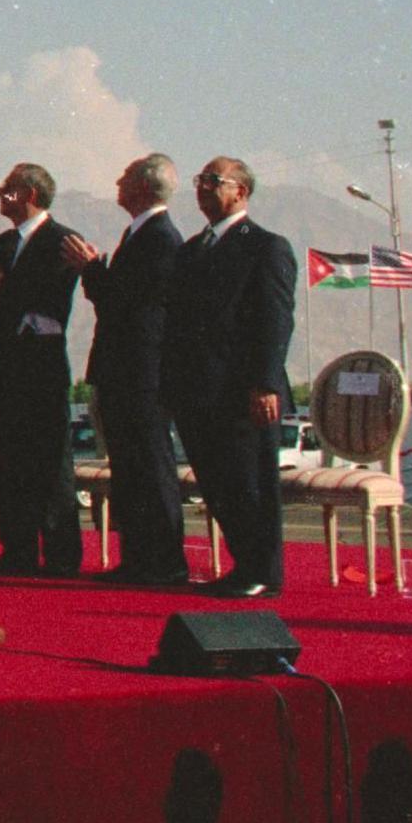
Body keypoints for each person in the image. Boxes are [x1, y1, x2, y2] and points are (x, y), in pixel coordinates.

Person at [165, 158, 296, 598]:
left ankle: (263, 571)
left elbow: (274, 321)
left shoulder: (265, 246)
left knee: (250, 483)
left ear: (240, 191)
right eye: (199, 181)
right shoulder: (190, 250)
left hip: (243, 392)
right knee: (218, 484)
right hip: (197, 389)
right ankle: (243, 564)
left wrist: (266, 383)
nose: (202, 188)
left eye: (212, 181)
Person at [65, 154, 189, 586]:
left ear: (142, 186)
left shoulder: (160, 239)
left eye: (125, 177)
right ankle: (139, 559)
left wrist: (92, 270)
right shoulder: (138, 235)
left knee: (151, 468)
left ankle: (166, 563)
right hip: (124, 373)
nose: (117, 181)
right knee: (130, 469)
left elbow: (129, 306)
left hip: (144, 374)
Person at [0, 163, 85, 576]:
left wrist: (2, 288)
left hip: (42, 366)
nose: (0, 195)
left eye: (8, 189)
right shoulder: (1, 242)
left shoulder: (63, 241)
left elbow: (50, 300)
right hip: (5, 362)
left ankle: (61, 552)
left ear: (29, 193)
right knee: (9, 458)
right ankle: (17, 547)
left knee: (49, 460)